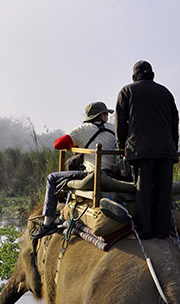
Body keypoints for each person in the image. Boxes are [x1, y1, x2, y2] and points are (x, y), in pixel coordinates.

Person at [32, 101, 117, 239]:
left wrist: (75, 144)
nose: (107, 116)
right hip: (111, 174)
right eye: (106, 114)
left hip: (91, 174)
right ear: (101, 116)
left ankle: (47, 224)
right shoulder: (114, 128)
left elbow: (58, 144)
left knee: (52, 178)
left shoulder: (83, 129)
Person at [115, 60, 179, 240]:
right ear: (153, 75)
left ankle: (144, 231)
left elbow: (120, 122)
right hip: (165, 150)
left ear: (134, 77)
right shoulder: (165, 92)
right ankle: (162, 232)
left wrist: (121, 146)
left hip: (140, 149)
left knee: (143, 190)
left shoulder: (127, 91)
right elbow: (175, 123)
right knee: (163, 191)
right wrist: (173, 146)